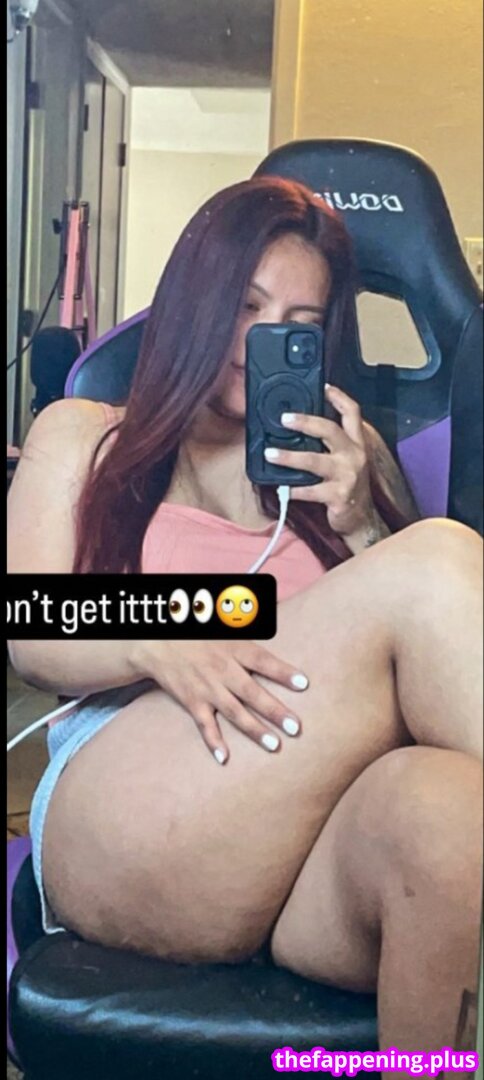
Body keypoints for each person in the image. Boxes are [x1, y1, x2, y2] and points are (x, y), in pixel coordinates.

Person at [7, 177, 482, 1063]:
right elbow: (29, 626)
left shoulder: (349, 459)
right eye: (246, 306)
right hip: (131, 811)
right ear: (194, 300)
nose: (264, 338)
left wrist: (362, 523)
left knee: (449, 813)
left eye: (299, 321)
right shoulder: (86, 433)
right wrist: (161, 637)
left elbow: (408, 674)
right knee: (442, 559)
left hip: (310, 859)